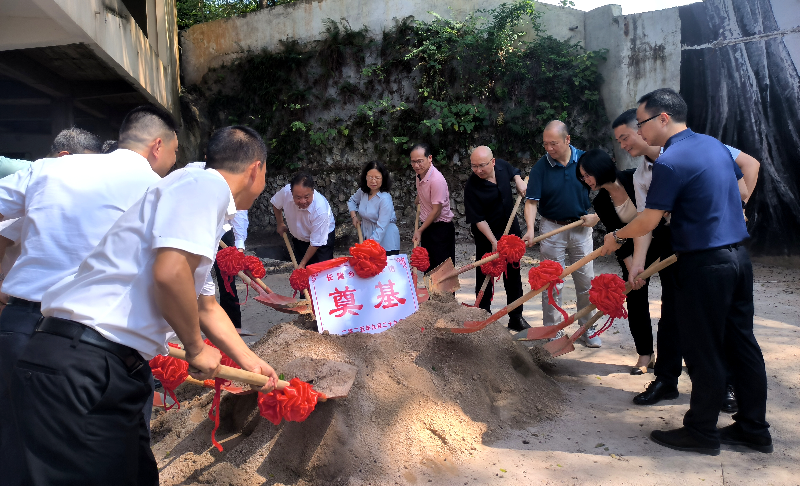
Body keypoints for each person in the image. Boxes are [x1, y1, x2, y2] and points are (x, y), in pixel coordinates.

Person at [12, 126, 278, 484]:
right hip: (85, 364)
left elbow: (205, 306)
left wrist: (251, 361)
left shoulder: (192, 197)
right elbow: (169, 275)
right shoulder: (206, 186)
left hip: (102, 365)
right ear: (256, 169)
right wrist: (196, 349)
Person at [0, 106, 177, 484]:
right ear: (158, 146)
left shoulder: (50, 168)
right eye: (176, 153)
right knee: (115, 463)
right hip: (98, 347)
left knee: (17, 457)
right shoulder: (159, 190)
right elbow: (173, 275)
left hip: (19, 327)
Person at [601, 88, 771, 456]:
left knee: (703, 348)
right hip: (739, 259)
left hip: (705, 265)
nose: (641, 131)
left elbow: (648, 219)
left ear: (664, 118)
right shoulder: (712, 145)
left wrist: (616, 236)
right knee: (742, 344)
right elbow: (745, 175)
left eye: (642, 122)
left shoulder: (670, 161)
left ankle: (701, 431)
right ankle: (754, 428)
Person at [576, 149, 661, 372]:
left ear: (600, 168)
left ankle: (671, 356)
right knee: (635, 300)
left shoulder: (636, 178)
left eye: (587, 175)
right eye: (582, 177)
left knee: (674, 300)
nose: (585, 180)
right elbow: (617, 242)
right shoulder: (602, 202)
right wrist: (632, 268)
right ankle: (645, 356)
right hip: (634, 251)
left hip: (664, 244)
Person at [522, 120, 600, 347]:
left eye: (553, 144)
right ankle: (552, 330)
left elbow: (610, 192)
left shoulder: (586, 161)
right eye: (545, 144)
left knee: (586, 281)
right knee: (551, 282)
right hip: (551, 229)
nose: (548, 149)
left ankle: (588, 328)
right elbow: (531, 202)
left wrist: (598, 216)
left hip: (581, 228)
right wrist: (529, 229)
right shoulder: (540, 168)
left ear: (567, 140)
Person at [464, 146, 529, 331]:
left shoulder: (501, 167)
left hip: (510, 235)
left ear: (492, 162)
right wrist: (494, 242)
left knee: (513, 274)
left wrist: (518, 181)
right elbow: (478, 219)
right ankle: (483, 316)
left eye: (482, 165)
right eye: (473, 166)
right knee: (485, 273)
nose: (478, 170)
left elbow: (514, 171)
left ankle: (516, 317)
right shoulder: (472, 186)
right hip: (487, 237)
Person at [188, 162, 250, 331]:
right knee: (195, 281)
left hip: (223, 233)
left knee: (228, 282)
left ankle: (233, 327)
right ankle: (194, 329)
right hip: (195, 234)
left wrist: (239, 247)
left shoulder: (234, 178)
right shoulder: (191, 171)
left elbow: (240, 213)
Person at [272, 172, 336, 267]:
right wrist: (280, 223)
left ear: (312, 192)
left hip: (321, 242)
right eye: (298, 197)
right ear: (291, 192)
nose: (302, 201)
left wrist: (302, 264)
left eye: (306, 197)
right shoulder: (286, 192)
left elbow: (316, 242)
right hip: (299, 239)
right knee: (302, 275)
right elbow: (276, 204)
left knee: (321, 273)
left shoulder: (320, 209)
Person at [410, 143, 456, 271]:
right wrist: (419, 198)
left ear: (429, 158)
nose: (416, 165)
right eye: (413, 162)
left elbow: (436, 211)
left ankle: (444, 292)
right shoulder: (419, 174)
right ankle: (431, 292)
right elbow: (422, 191)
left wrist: (419, 230)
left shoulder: (436, 180)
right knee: (429, 269)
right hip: (428, 227)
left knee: (442, 272)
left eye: (420, 161)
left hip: (441, 229)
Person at [348, 160, 401, 255]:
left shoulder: (385, 198)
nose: (373, 181)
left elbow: (381, 228)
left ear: (383, 179)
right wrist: (354, 217)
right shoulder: (363, 191)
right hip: (367, 238)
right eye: (370, 177)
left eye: (377, 178)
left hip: (385, 242)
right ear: (365, 177)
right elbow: (352, 201)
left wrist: (367, 247)